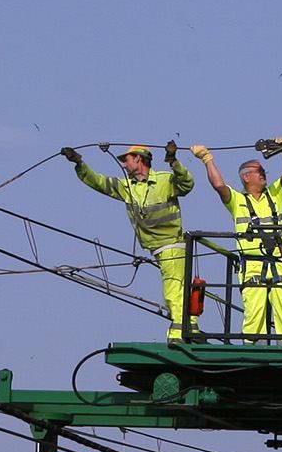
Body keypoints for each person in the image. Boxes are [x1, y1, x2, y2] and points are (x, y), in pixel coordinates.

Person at [63, 141, 197, 339]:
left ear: (139, 158)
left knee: (173, 289)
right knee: (178, 288)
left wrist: (173, 161)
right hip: (158, 249)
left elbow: (187, 184)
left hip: (172, 246)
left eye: (127, 160)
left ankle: (179, 334)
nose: (124, 165)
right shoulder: (127, 187)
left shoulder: (164, 181)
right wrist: (79, 163)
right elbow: (99, 182)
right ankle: (189, 328)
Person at [192, 140, 282, 340]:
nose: (264, 174)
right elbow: (218, 185)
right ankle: (254, 355)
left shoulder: (275, 195)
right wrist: (207, 159)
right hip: (253, 268)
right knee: (254, 318)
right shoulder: (237, 201)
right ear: (246, 177)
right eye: (260, 171)